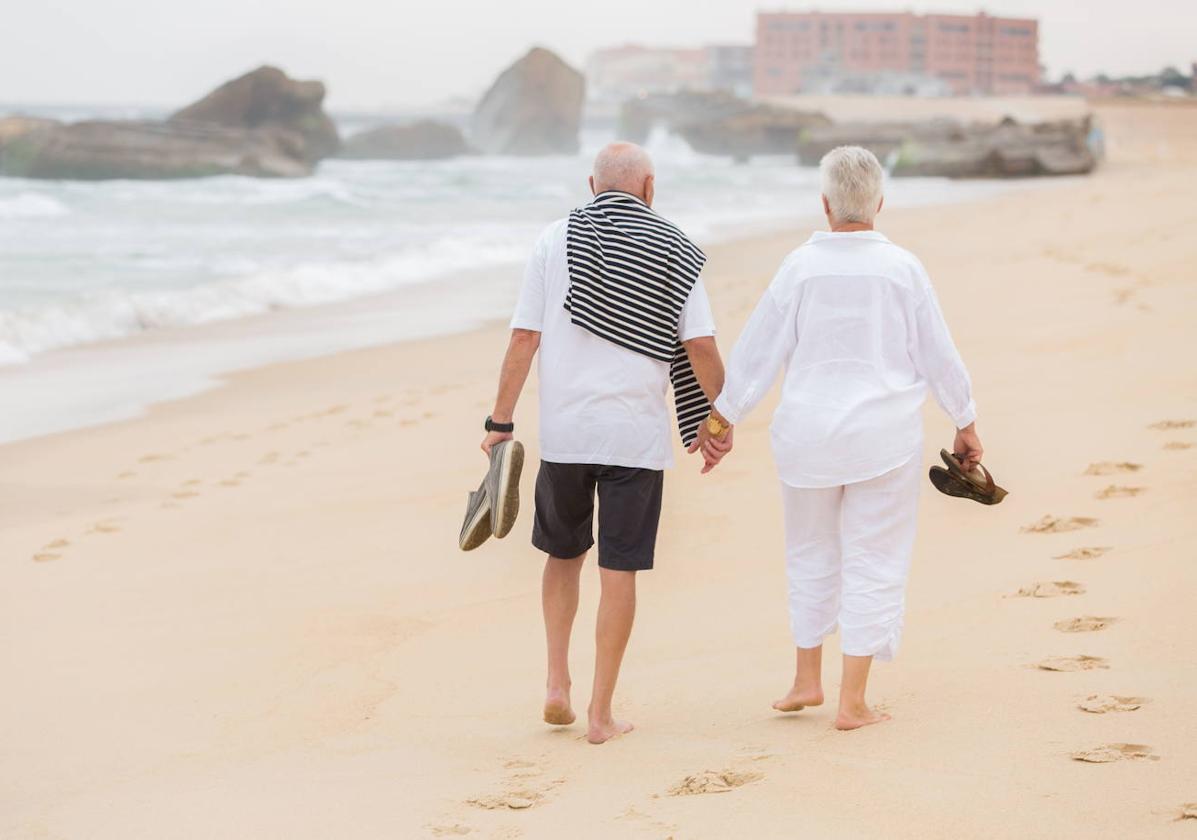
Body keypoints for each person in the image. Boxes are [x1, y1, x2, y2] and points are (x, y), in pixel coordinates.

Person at [693, 145, 982, 730]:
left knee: (809, 551)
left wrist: (722, 420)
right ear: (879, 202)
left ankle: (806, 679)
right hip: (883, 439)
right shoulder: (903, 267)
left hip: (807, 438)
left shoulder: (799, 267)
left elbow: (756, 353)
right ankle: (852, 701)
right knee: (874, 557)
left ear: (824, 204)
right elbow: (937, 352)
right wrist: (965, 418)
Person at [481, 142, 731, 744]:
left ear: (592, 184)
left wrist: (500, 421)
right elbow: (699, 348)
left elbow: (524, 337)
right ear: (649, 186)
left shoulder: (553, 239)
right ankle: (599, 714)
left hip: (567, 436)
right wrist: (718, 419)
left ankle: (555, 683)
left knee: (562, 555)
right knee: (620, 570)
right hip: (635, 442)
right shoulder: (675, 247)